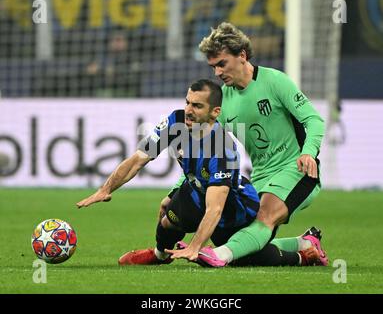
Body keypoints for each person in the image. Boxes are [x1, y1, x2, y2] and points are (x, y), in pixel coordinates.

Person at [76, 79, 325, 267]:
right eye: (187, 102)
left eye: (196, 105)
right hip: (197, 187)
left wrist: (195, 247)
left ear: (215, 112)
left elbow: (215, 208)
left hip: (233, 206)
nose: (188, 110)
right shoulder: (175, 122)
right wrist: (105, 190)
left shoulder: (222, 149)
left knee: (239, 258)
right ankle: (160, 255)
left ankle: (303, 252)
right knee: (168, 216)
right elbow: (137, 160)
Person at [162, 23, 328, 267]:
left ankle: (218, 255)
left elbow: (313, 120)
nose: (217, 73)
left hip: (298, 169)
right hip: (260, 176)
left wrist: (308, 154)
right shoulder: (222, 101)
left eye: (222, 64)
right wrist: (177, 189)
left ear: (242, 55)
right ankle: (304, 245)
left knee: (264, 216)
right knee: (242, 244)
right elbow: (205, 151)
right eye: (213, 67)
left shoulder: (275, 81)